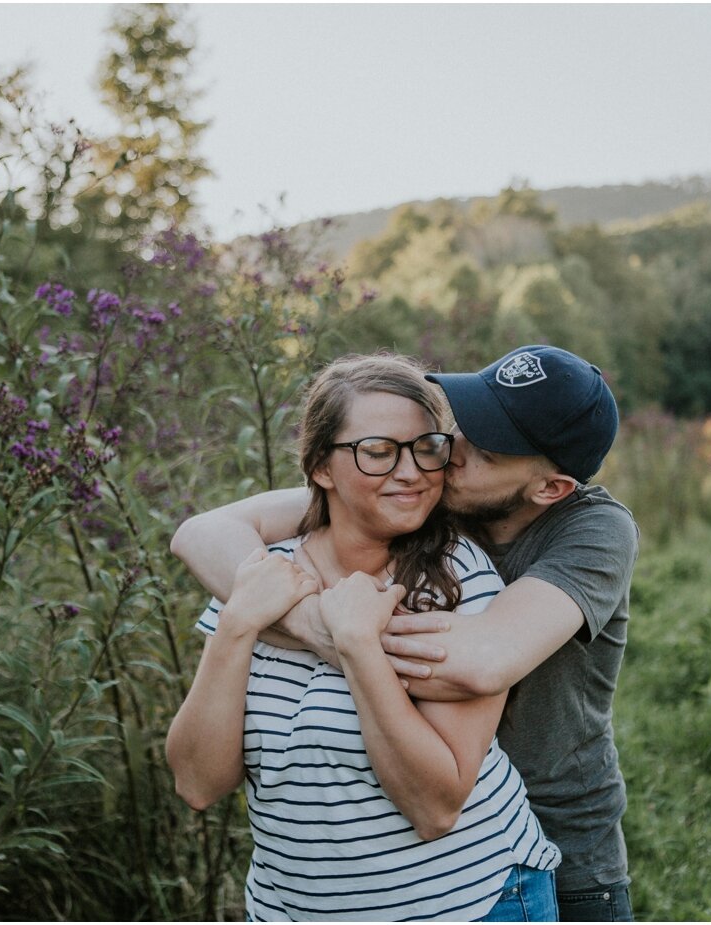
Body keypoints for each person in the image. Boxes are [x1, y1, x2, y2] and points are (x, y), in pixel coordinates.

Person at [172, 344, 638, 921]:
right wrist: (279, 614)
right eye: (460, 428)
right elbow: (204, 531)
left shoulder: (592, 531)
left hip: (556, 839)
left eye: (484, 451)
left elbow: (483, 660)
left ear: (549, 487)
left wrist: (350, 634)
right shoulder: (411, 497)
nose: (446, 457)